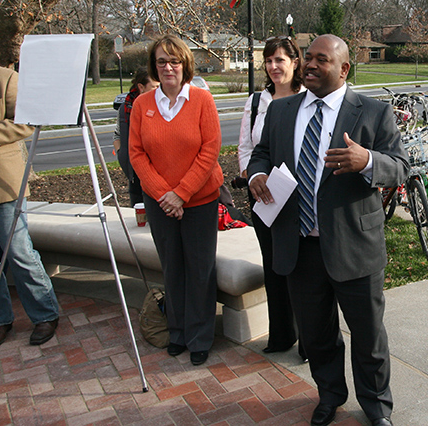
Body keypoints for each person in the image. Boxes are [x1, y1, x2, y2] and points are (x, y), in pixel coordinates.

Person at [247, 34, 409, 426]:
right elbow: (262, 152)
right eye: (309, 59)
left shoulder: (372, 112)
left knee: (368, 339)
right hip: (300, 245)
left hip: (355, 246)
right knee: (318, 335)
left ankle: (376, 408)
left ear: (344, 69)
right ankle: (329, 395)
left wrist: (367, 159)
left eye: (322, 60)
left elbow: (401, 166)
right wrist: (257, 173)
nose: (311, 66)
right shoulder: (283, 110)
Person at [129, 35, 223, 366]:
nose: (168, 68)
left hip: (199, 200)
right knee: (173, 268)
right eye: (161, 62)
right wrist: (163, 195)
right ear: (154, 67)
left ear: (185, 64)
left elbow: (210, 149)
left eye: (175, 61)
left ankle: (200, 336)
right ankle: (178, 332)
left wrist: (181, 193)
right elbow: (136, 154)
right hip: (160, 202)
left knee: (200, 269)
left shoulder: (201, 100)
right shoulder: (142, 105)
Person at [0, 55, 60, 348]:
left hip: (1, 181)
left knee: (18, 251)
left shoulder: (2, 77)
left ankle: (45, 313)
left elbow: (28, 122)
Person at [238, 35, 306, 358]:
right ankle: (281, 335)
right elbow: (246, 148)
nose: (274, 66)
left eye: (280, 60)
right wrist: (253, 176)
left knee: (303, 269)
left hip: (299, 199)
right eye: (269, 60)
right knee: (274, 267)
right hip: (264, 199)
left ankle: (309, 339)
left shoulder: (309, 99)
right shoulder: (256, 103)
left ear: (295, 62)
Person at [113, 70, 159, 207]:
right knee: (141, 216)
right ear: (141, 87)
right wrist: (122, 154)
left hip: (159, 172)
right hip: (135, 174)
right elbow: (117, 135)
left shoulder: (162, 106)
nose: (159, 90)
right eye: (155, 87)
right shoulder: (125, 109)